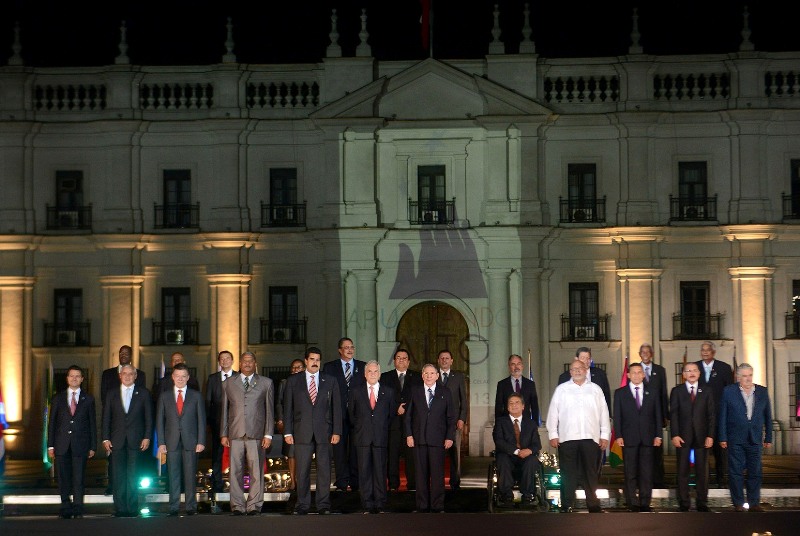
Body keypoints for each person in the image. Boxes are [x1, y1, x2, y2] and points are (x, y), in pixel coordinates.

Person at [283, 347, 342, 515]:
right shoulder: (293, 381)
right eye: (312, 359)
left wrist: (337, 430)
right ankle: (302, 505)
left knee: (324, 470)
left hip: (325, 432)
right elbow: (288, 408)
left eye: (318, 360)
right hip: (302, 432)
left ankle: (323, 505)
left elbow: (336, 407)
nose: (315, 362)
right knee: (302, 471)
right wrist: (288, 432)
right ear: (306, 361)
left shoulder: (329, 380)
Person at [546, 359, 610, 513]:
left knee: (591, 473)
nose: (577, 371)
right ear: (570, 372)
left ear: (585, 369)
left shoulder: (595, 389)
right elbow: (553, 413)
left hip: (590, 438)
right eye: (574, 369)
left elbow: (604, 413)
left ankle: (593, 504)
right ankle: (567, 503)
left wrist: (605, 435)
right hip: (568, 439)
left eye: (580, 368)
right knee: (568, 473)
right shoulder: (562, 389)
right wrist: (553, 434)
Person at [221, 351, 274, 516]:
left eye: (251, 361)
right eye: (245, 361)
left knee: (256, 471)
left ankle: (254, 506)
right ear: (240, 363)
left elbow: (269, 411)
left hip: (256, 433)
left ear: (255, 363)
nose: (247, 364)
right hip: (235, 432)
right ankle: (237, 505)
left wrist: (268, 434)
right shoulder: (228, 383)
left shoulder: (266, 383)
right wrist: (223, 433)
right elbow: (224, 410)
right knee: (234, 471)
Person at [718, 363, 773, 512]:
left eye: (750, 375)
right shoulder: (728, 391)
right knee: (735, 472)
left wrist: (769, 436)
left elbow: (768, 415)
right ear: (738, 377)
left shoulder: (762, 391)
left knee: (755, 471)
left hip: (755, 438)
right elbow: (722, 415)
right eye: (744, 376)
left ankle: (754, 503)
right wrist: (722, 437)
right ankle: (738, 503)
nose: (748, 379)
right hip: (735, 438)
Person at [101, 364, 153, 517]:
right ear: (120, 375)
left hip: (136, 440)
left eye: (131, 373)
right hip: (116, 440)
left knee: (133, 475)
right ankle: (120, 508)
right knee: (118, 475)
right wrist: (105, 438)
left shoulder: (143, 393)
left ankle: (131, 508)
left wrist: (147, 436)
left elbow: (149, 418)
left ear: (135, 376)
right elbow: (106, 418)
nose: (127, 376)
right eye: (125, 373)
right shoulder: (111, 394)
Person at [405, 363, 456, 513]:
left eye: (432, 373)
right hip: (419, 439)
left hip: (438, 440)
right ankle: (422, 506)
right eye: (426, 373)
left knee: (437, 474)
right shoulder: (414, 391)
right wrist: (409, 435)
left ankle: (437, 505)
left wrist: (449, 437)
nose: (428, 376)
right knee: (420, 475)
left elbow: (451, 417)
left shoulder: (445, 392)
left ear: (437, 376)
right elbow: (408, 416)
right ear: (422, 376)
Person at [156, 363, 206, 516]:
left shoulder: (196, 396)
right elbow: (160, 421)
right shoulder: (164, 396)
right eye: (177, 376)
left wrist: (201, 441)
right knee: (173, 475)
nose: (180, 379)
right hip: (171, 441)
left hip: (191, 441)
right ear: (172, 377)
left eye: (183, 376)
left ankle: (191, 506)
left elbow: (201, 420)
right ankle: (174, 506)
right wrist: (161, 443)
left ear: (188, 378)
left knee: (190, 475)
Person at [47, 365, 97, 519]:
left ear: (82, 379)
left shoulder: (88, 399)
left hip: (80, 444)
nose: (74, 378)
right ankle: (65, 504)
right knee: (63, 477)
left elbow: (92, 424)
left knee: (79, 477)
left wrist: (93, 446)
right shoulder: (58, 398)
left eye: (78, 376)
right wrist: (50, 445)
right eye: (71, 376)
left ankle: (78, 505)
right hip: (61, 444)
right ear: (67, 378)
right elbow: (52, 423)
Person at [612, 362, 662, 512]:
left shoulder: (652, 392)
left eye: (639, 372)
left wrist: (658, 435)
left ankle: (645, 503)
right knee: (630, 472)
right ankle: (632, 502)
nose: (636, 375)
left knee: (647, 473)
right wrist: (618, 435)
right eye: (633, 372)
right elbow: (618, 417)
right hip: (628, 438)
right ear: (628, 375)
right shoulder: (620, 393)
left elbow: (657, 415)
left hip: (648, 438)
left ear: (643, 374)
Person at [349, 360, 396, 513]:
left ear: (380, 374)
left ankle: (380, 503)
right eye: (370, 371)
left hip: (380, 438)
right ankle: (367, 504)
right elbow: (352, 415)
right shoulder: (356, 391)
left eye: (376, 371)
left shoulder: (388, 392)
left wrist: (380, 428)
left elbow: (391, 415)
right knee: (364, 472)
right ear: (365, 374)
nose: (373, 374)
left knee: (380, 471)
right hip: (362, 438)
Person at [100, 345, 146, 495]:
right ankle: (114, 490)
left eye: (127, 353)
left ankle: (131, 502)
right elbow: (105, 405)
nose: (123, 355)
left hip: (134, 431)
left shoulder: (141, 376)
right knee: (114, 465)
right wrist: (106, 435)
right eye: (121, 352)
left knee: (133, 469)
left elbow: (144, 408)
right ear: (120, 375)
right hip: (116, 429)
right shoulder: (107, 374)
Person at [670, 361, 715, 512]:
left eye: (695, 370)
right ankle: (684, 502)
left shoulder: (707, 391)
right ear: (683, 374)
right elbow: (674, 415)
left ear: (699, 373)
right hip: (682, 437)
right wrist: (674, 434)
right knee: (682, 471)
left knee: (702, 472)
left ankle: (702, 501)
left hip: (702, 437)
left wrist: (710, 435)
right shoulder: (677, 391)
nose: (692, 373)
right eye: (688, 370)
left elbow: (711, 416)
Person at [322, 337, 366, 491]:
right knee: (339, 450)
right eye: (346, 347)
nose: (349, 349)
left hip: (357, 415)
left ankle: (355, 480)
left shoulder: (362, 366)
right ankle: (341, 480)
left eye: (351, 347)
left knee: (355, 448)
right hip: (337, 415)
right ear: (340, 350)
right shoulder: (330, 367)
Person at [380, 348, 420, 491]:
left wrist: (407, 408)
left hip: (411, 425)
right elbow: (382, 400)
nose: (401, 360)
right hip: (392, 424)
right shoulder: (385, 377)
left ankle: (413, 486)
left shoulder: (417, 377)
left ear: (408, 362)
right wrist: (395, 408)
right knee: (392, 456)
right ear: (394, 361)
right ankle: (393, 485)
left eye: (404, 358)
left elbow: (419, 399)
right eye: (398, 357)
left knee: (411, 457)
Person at [492, 393, 542, 508]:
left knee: (532, 460)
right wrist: (516, 451)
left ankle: (527, 495)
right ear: (507, 407)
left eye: (517, 402)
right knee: (502, 459)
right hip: (508, 455)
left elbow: (537, 444)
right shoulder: (500, 422)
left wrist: (529, 450)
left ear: (523, 406)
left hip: (526, 456)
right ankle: (506, 496)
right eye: (511, 403)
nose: (514, 405)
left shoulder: (531, 423)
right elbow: (499, 441)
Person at [696, 341, 733, 487]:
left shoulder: (724, 368)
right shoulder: (694, 367)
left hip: (718, 417)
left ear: (713, 352)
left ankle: (720, 479)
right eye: (702, 350)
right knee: (701, 451)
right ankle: (702, 480)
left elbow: (729, 392)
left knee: (720, 451)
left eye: (708, 350)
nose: (705, 352)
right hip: (699, 418)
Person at [204, 350, 236, 493]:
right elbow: (208, 401)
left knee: (237, 454)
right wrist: (208, 423)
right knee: (217, 454)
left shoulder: (239, 377)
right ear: (219, 362)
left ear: (232, 360)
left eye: (227, 358)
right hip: (217, 423)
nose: (225, 361)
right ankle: (217, 484)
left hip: (236, 422)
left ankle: (236, 484)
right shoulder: (212, 378)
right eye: (222, 359)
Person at [638, 343, 668, 488]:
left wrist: (664, 416)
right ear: (640, 354)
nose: (645, 354)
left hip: (656, 417)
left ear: (652, 354)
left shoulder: (660, 370)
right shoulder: (634, 370)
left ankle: (658, 480)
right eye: (643, 352)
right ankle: (641, 480)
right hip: (638, 418)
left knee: (657, 450)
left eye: (648, 352)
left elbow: (663, 393)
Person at [437, 349, 467, 490]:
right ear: (438, 361)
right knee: (438, 454)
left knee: (455, 453)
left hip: (454, 422)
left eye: (447, 358)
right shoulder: (433, 375)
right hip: (436, 423)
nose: (444, 360)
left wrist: (462, 418)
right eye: (442, 358)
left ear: (452, 361)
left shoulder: (458, 377)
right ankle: (438, 482)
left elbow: (464, 401)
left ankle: (455, 483)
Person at [275, 358, 305, 491]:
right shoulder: (284, 382)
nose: (295, 369)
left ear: (304, 369)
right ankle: (293, 481)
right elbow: (279, 402)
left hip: (304, 422)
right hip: (289, 422)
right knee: (291, 452)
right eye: (293, 367)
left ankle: (302, 480)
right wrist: (280, 419)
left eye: (299, 367)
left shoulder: (308, 382)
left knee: (303, 452)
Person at [557, 347, 611, 411]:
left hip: (595, 416)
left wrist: (608, 416)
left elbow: (606, 397)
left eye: (588, 358)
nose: (586, 361)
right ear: (576, 359)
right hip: (572, 416)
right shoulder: (564, 377)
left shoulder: (600, 374)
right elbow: (559, 401)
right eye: (583, 358)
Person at [494, 353, 539, 423]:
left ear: (522, 366)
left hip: (526, 424)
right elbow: (498, 407)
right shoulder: (502, 384)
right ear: (509, 367)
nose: (516, 367)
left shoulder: (530, 384)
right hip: (507, 425)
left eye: (518, 364)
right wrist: (498, 426)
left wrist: (535, 426)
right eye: (513, 364)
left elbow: (535, 407)